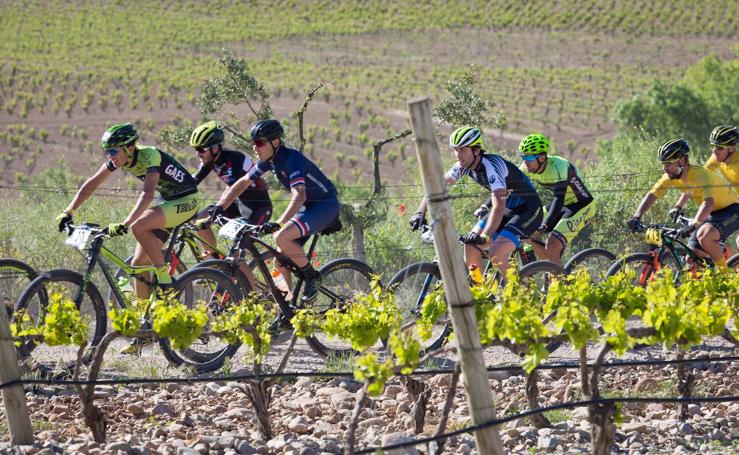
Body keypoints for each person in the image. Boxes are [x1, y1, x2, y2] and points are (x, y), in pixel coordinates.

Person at [208, 119, 340, 303]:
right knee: (281, 258)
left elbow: (299, 195)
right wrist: (220, 205)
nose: (255, 148)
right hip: (310, 207)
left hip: (325, 205)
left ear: (275, 142)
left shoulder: (291, 159)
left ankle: (313, 277)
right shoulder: (269, 161)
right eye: (253, 143)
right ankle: (287, 309)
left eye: (260, 143)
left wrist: (279, 222)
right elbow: (243, 182)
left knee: (281, 236)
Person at [409, 126, 543, 278]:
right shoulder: (464, 165)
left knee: (496, 253)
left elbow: (498, 206)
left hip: (529, 210)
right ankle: (479, 290)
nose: (458, 155)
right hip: (508, 208)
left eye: (463, 150)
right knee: (469, 245)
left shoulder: (491, 165)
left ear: (476, 151)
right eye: (456, 150)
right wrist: (420, 212)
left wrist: (485, 235)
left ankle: (521, 291)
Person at [627, 138, 739, 270]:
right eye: (663, 164)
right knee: (691, 260)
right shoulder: (670, 177)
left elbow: (708, 202)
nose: (665, 168)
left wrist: (695, 223)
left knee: (704, 235)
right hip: (712, 215)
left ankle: (726, 276)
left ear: (681, 160)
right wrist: (636, 216)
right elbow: (652, 195)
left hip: (732, 209)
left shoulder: (700, 174)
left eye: (669, 163)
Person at [518, 133, 596, 266]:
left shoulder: (559, 166)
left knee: (552, 245)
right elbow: (513, 192)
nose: (525, 161)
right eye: (523, 156)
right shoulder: (526, 168)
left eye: (529, 157)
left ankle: (558, 283)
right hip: (564, 205)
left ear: (542, 158)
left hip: (582, 205)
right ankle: (531, 272)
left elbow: (558, 200)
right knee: (526, 232)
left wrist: (545, 224)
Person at [703, 125, 739, 250]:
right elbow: (701, 176)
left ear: (731, 148)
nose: (714, 151)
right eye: (713, 146)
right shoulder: (717, 158)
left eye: (719, 147)